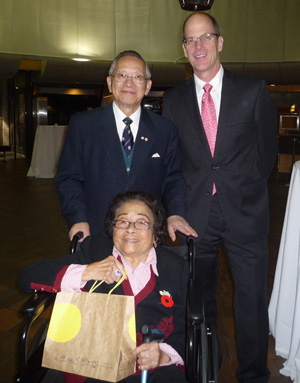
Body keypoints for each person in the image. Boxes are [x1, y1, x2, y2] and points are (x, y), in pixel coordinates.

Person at [163, 12, 277, 383]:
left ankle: (254, 374)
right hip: (197, 216)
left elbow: (267, 155)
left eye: (205, 37)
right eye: (190, 40)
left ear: (220, 42)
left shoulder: (253, 90)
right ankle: (207, 366)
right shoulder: (174, 99)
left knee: (250, 301)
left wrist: (242, 188)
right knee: (200, 299)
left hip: (245, 213)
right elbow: (174, 162)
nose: (198, 46)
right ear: (183, 48)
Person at [19, 191, 189, 383]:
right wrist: (86, 272)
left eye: (142, 222)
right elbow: (28, 276)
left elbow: (192, 328)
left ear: (155, 233)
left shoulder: (176, 268)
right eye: (123, 221)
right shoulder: (94, 251)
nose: (130, 229)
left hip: (152, 370)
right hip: (93, 365)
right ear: (113, 228)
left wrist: (164, 354)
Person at [55, 50, 196, 243]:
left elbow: (173, 179)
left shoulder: (164, 130)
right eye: (122, 75)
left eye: (137, 77)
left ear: (147, 86)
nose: (129, 83)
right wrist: (77, 218)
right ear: (110, 82)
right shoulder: (83, 126)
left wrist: (176, 214)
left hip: (146, 235)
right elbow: (69, 178)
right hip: (95, 232)